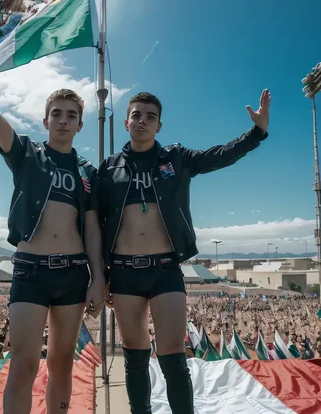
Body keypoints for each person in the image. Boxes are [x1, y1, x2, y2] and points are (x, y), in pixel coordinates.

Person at [0, 28, 104, 414]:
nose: (63, 121)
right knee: (25, 363)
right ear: (46, 120)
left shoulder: (87, 171)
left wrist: (99, 277)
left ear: (81, 124)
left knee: (62, 361)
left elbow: (94, 229)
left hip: (72, 273)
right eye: (57, 114)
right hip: (30, 271)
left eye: (72, 116)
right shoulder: (27, 154)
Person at [98, 90, 270, 414]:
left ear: (159, 126)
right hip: (124, 272)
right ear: (126, 121)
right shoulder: (109, 168)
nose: (142, 121)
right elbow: (98, 224)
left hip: (165, 269)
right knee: (134, 356)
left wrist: (255, 134)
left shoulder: (176, 158)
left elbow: (217, 156)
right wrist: (102, 275)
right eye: (136, 115)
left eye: (150, 117)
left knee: (173, 355)